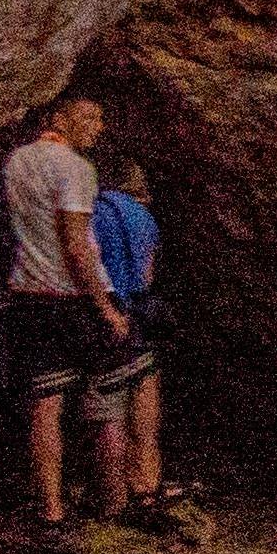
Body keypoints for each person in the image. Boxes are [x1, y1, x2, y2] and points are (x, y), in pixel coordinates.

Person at [0, 89, 129, 537]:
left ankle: (51, 508)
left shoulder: (15, 162)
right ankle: (115, 504)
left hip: (28, 294)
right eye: (89, 117)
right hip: (71, 298)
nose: (98, 127)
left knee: (44, 405)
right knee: (111, 392)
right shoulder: (76, 168)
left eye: (101, 118)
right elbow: (75, 244)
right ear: (60, 118)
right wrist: (104, 307)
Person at [86, 149, 168, 522]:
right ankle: (147, 491)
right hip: (142, 319)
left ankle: (113, 504)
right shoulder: (144, 217)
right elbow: (147, 276)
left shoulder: (91, 214)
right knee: (145, 411)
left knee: (109, 416)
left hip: (107, 318)